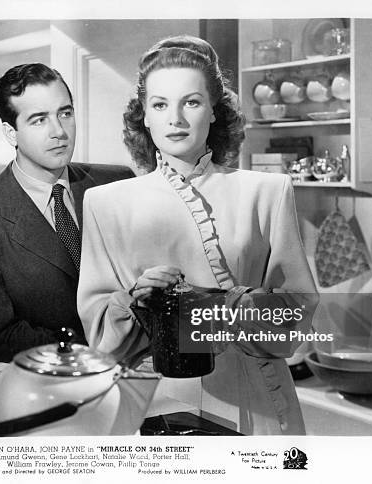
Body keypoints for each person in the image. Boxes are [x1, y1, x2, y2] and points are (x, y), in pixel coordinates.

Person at [77, 36, 319, 435]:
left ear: (214, 112)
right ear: (145, 117)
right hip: (153, 396)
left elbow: (298, 309)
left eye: (191, 102)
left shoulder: (267, 191)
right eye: (159, 105)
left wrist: (228, 303)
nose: (175, 119)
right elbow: (101, 335)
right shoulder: (105, 202)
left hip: (252, 392)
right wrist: (137, 298)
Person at [0, 63, 133, 363]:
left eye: (65, 113)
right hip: (54, 388)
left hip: (145, 379)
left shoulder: (119, 182)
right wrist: (99, 349)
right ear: (11, 133)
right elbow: (0, 337)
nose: (59, 131)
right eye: (38, 120)